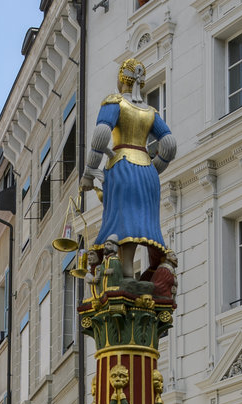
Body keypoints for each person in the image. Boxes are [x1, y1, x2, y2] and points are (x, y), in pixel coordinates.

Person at [82, 57, 177, 273]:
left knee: (121, 221)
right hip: (146, 171)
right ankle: (127, 271)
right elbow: (170, 145)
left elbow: (102, 133)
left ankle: (123, 270)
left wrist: (89, 172)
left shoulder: (114, 102)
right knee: (139, 224)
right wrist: (154, 168)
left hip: (122, 166)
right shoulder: (150, 112)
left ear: (121, 79)